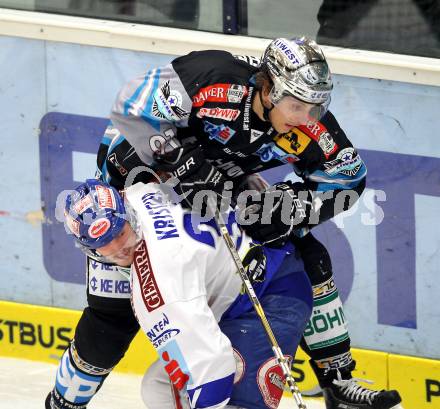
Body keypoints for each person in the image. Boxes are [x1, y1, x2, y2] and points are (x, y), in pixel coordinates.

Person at [46, 37, 402, 409]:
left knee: (304, 257)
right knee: (112, 319)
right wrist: (180, 161)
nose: (304, 119)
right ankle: (63, 402)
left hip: (219, 192)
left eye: (314, 107)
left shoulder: (308, 124)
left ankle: (338, 382)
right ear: (268, 88)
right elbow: (131, 108)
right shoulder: (212, 77)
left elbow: (347, 177)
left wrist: (291, 209)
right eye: (296, 106)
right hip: (137, 190)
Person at [55, 178, 313, 409]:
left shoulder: (158, 283)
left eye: (120, 233)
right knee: (158, 389)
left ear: (127, 216)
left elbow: (213, 372)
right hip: (245, 286)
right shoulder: (137, 191)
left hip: (273, 297)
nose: (119, 249)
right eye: (104, 245)